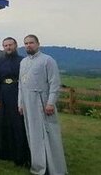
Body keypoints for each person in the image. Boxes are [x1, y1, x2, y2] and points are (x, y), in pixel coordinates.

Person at [19, 35, 68, 175]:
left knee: (48, 134)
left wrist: (50, 103)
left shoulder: (47, 60)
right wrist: (20, 103)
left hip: (42, 102)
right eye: (26, 43)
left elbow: (54, 83)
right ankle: (39, 166)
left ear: (38, 44)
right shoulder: (23, 62)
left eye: (31, 43)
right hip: (28, 103)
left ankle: (55, 168)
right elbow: (21, 86)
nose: (29, 45)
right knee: (33, 135)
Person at [0, 37, 30, 167]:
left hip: (18, 93)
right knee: (6, 124)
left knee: (18, 125)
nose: (8, 47)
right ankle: (7, 154)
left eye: (10, 45)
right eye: (5, 45)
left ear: (15, 46)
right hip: (4, 94)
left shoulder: (23, 61)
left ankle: (21, 155)